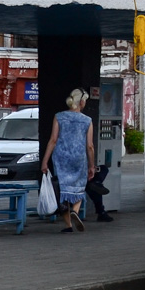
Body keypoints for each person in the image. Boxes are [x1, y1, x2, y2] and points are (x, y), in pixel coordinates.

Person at [41, 88, 95, 233]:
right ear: (81, 102)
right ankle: (75, 211)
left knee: (62, 188)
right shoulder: (87, 120)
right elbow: (90, 146)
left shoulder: (59, 117)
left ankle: (68, 225)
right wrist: (92, 165)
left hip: (61, 158)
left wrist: (45, 161)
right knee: (79, 186)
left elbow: (53, 140)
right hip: (78, 158)